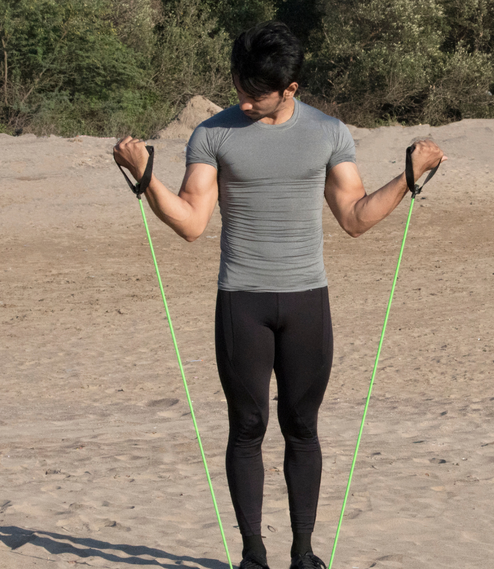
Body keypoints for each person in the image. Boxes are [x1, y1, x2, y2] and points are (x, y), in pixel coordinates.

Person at [112, 20, 445, 569]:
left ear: (290, 88)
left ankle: (304, 553)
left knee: (301, 426)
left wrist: (410, 175)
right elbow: (192, 222)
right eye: (238, 87)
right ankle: (252, 555)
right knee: (247, 427)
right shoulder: (212, 134)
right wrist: (146, 177)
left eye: (255, 93)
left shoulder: (329, 132)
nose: (242, 100)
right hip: (241, 301)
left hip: (306, 301)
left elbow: (356, 218)